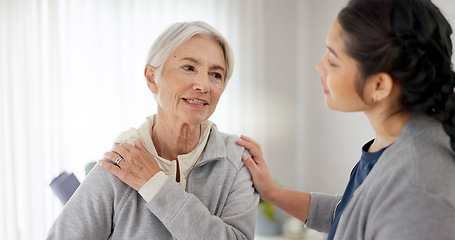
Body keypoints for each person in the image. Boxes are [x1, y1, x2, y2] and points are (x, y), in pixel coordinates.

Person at [237, 0, 455, 239]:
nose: (320, 66)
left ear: (379, 85)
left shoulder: (419, 191)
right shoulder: (391, 144)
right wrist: (272, 192)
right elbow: (349, 216)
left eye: (333, 60)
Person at [46, 21, 259, 239]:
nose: (203, 85)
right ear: (151, 78)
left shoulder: (236, 159)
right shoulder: (122, 162)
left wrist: (156, 186)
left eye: (216, 74)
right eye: (188, 68)